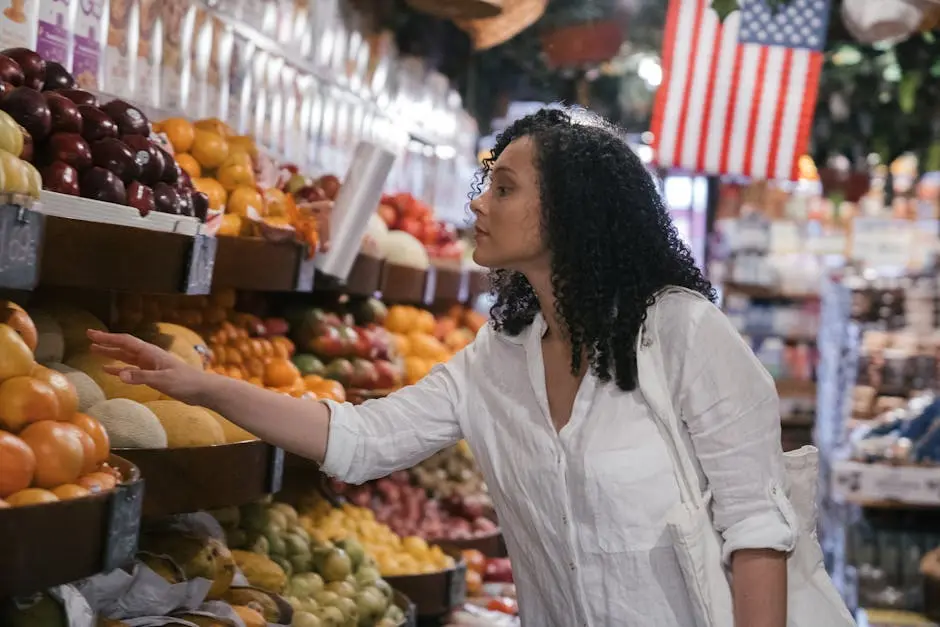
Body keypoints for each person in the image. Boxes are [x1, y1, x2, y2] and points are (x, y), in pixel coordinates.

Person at [89, 108, 794, 626]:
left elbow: (757, 530)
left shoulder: (681, 334)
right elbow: (362, 441)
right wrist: (200, 384)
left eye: (505, 187)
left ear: (572, 213)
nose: (479, 202)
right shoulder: (499, 358)